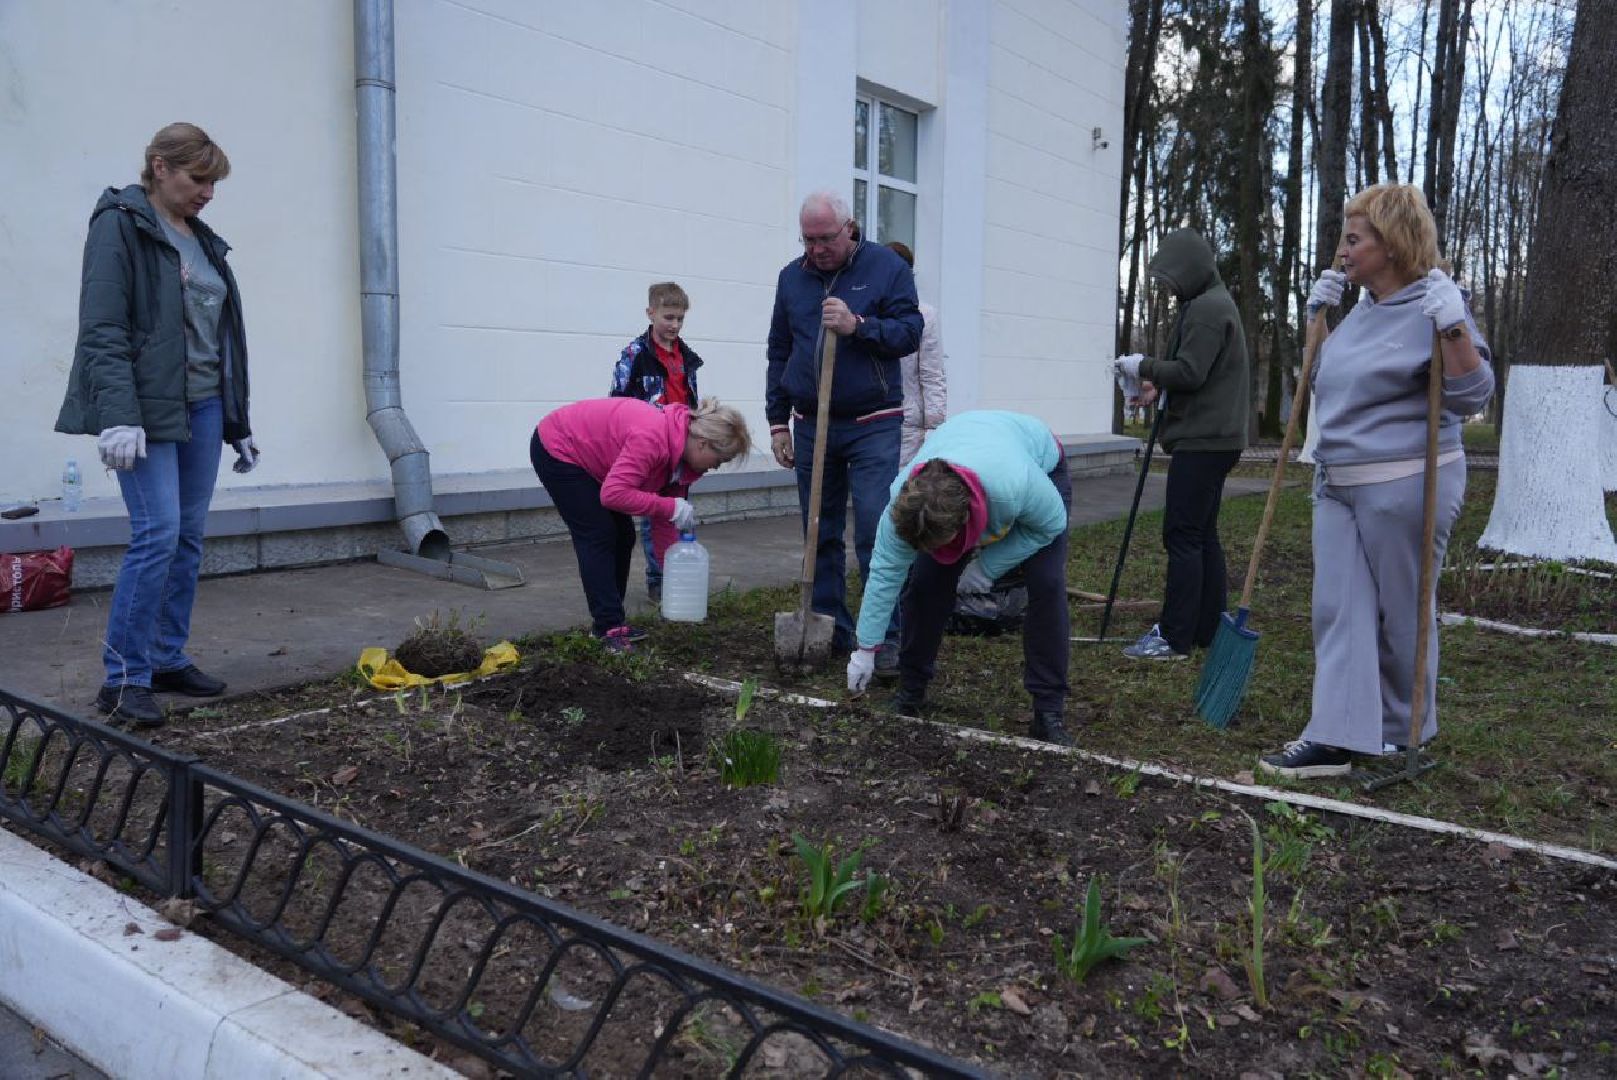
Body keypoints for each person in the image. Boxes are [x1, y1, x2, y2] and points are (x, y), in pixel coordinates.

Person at [1258, 183, 1494, 779]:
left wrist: (1453, 325)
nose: (1342, 250)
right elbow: (1326, 380)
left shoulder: (1435, 304)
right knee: (1337, 608)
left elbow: (1472, 394)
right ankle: (1336, 734)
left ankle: (1400, 734)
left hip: (1406, 483)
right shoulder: (1361, 307)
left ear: (1391, 244)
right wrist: (1317, 321)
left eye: (1353, 239)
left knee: (1402, 613)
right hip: (1337, 483)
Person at [55, 123, 257, 729]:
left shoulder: (204, 241)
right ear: (160, 166)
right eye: (199, 180)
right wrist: (118, 414)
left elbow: (219, 338)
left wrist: (237, 418)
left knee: (187, 537)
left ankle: (166, 659)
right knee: (158, 533)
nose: (208, 193)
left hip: (203, 407)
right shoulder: (121, 224)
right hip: (145, 411)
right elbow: (103, 328)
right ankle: (123, 679)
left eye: (214, 184)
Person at [845, 411, 1075, 745]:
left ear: (964, 522)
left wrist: (986, 568)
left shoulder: (1012, 487)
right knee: (925, 585)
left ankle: (1048, 710)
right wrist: (866, 648)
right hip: (970, 450)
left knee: (1047, 585)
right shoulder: (904, 502)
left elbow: (1050, 524)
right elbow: (884, 574)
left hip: (1038, 465)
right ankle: (911, 691)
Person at [766, 191, 923, 670]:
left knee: (876, 530)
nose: (816, 250)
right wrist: (777, 421)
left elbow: (909, 332)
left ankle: (885, 635)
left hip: (873, 422)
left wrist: (859, 326)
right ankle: (830, 626)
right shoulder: (792, 278)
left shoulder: (886, 268)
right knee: (819, 531)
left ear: (849, 228)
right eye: (808, 240)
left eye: (825, 239)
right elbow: (779, 349)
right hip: (811, 422)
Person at [1114, 228, 1250, 660]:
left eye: (1172, 279)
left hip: (1204, 439)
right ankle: (1207, 628)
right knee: (1201, 533)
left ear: (1190, 270)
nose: (1169, 288)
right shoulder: (1211, 302)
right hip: (1215, 437)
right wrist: (1156, 388)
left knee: (1183, 534)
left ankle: (1174, 637)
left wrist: (1143, 365)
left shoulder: (1207, 309)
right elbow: (1203, 374)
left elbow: (1190, 372)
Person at [529, 396, 751, 652]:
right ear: (703, 444)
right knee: (599, 533)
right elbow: (613, 494)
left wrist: (675, 579)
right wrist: (670, 506)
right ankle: (609, 626)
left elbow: (664, 523)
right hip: (559, 446)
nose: (716, 467)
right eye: (719, 460)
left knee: (624, 535)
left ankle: (610, 622)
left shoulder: (682, 463)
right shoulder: (653, 438)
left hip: (594, 458)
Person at [610, 281, 703, 602]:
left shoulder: (686, 357)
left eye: (680, 319)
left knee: (677, 513)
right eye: (668, 317)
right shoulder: (634, 356)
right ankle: (657, 579)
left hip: (680, 447)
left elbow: (691, 399)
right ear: (650, 313)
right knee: (655, 516)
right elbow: (617, 403)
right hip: (649, 447)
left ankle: (677, 576)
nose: (675, 325)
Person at [884, 242, 948, 466]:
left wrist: (934, 428)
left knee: (902, 483)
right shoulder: (864, 310)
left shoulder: (924, 315)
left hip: (907, 423)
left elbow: (932, 373)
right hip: (867, 420)